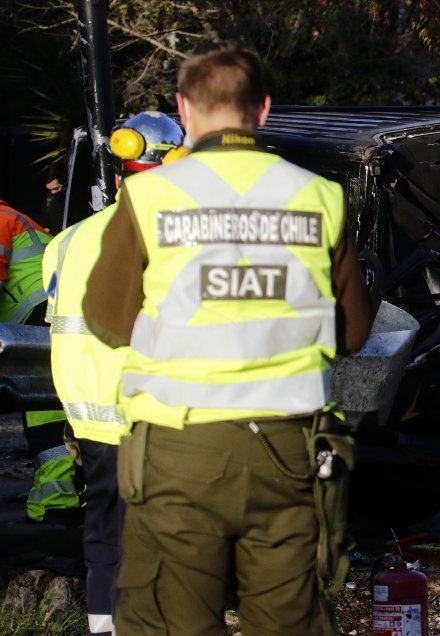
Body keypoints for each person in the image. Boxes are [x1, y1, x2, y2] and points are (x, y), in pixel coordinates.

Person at [83, 42, 373, 634]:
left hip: (179, 451)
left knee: (171, 621)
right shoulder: (320, 196)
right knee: (289, 621)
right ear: (263, 110)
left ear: (184, 110)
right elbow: (355, 331)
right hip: (294, 451)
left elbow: (105, 318)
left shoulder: (149, 196)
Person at [44, 110, 185, 636]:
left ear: (121, 174)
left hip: (91, 418)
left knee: (106, 535)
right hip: (155, 416)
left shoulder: (69, 239)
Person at [0, 197, 77, 524]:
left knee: (45, 410)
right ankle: (61, 497)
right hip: (49, 314)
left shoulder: (2, 217)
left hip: (39, 317)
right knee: (49, 409)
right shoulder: (12, 216)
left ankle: (60, 501)